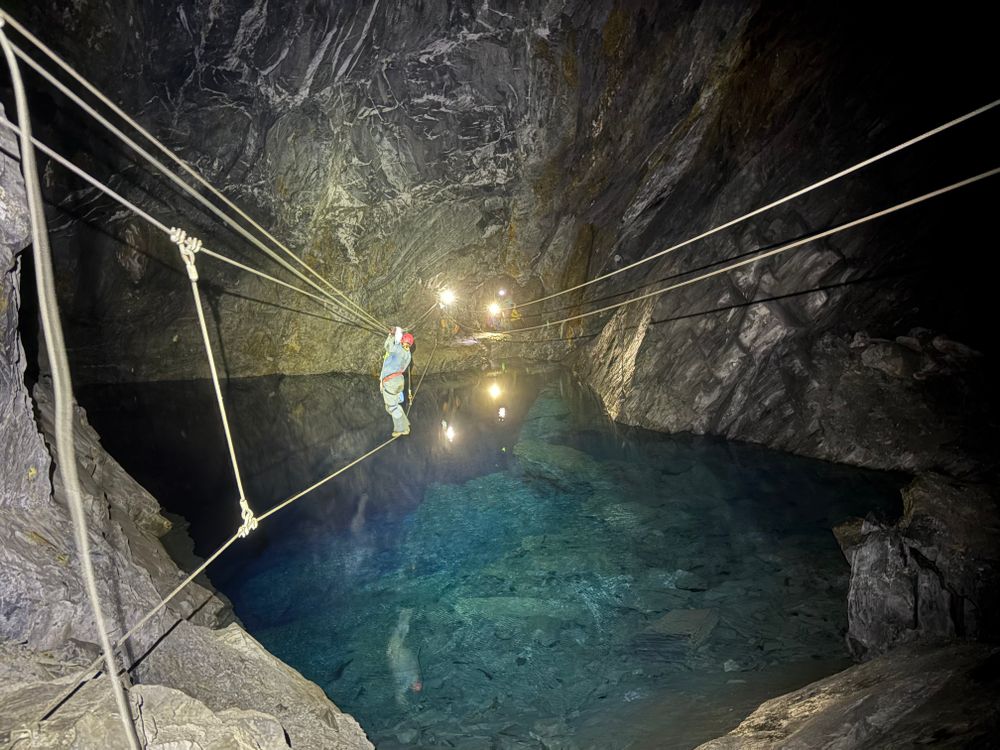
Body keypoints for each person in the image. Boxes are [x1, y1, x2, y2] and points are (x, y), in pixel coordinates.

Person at [381, 327, 413, 437]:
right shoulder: (408, 355)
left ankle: (401, 429)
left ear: (402, 341)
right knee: (390, 406)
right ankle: (405, 424)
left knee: (392, 407)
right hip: (399, 381)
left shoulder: (398, 349)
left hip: (391, 382)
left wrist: (391, 335)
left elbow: (388, 346)